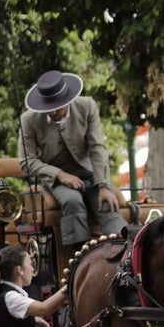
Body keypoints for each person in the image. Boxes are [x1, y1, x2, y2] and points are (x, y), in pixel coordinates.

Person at [18, 70, 125, 252]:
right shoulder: (28, 120)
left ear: (67, 100)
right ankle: (80, 256)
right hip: (56, 177)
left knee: (107, 202)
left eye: (58, 107)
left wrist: (103, 186)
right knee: (73, 202)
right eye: (49, 107)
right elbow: (26, 161)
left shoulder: (87, 106)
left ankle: (124, 249)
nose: (53, 111)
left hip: (88, 171)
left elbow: (97, 147)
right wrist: (60, 175)